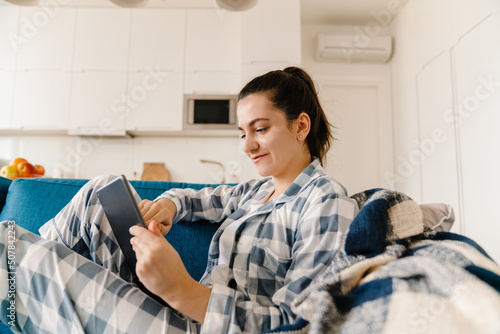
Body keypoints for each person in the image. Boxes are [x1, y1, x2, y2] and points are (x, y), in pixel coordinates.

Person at [0, 67, 358, 333]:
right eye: (242, 133)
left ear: (301, 126)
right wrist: (167, 207)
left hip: (200, 324)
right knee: (101, 190)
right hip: (180, 313)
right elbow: (191, 198)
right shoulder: (254, 192)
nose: (247, 146)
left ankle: (33, 299)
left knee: (5, 246)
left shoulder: (326, 201)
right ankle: (37, 302)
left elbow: (305, 322)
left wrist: (183, 291)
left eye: (260, 129)